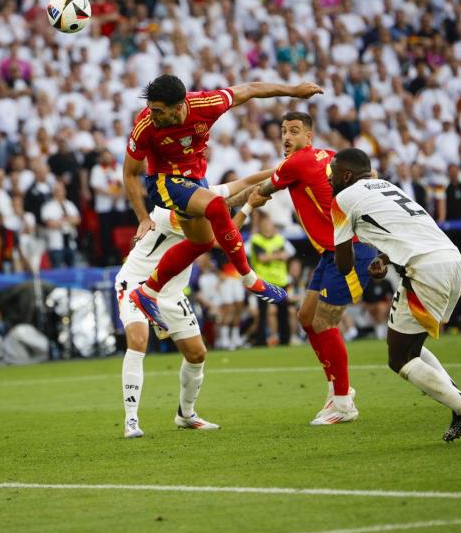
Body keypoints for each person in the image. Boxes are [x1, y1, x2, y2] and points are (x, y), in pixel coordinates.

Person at [329, 148, 461, 445]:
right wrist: (383, 259)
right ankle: (459, 409)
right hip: (452, 262)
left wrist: (342, 252)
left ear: (346, 175)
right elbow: (408, 229)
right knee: (410, 345)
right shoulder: (386, 186)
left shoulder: (342, 199)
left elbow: (344, 263)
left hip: (425, 269)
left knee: (400, 358)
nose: (329, 177)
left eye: (332, 172)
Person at [124, 75, 322, 327]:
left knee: (202, 242)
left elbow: (250, 88)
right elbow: (129, 173)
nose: (152, 115)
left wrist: (293, 90)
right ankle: (250, 279)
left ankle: (147, 292)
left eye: (158, 111)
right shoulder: (144, 125)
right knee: (216, 205)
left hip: (195, 181)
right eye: (151, 109)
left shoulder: (206, 104)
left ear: (179, 106)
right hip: (163, 181)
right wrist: (142, 217)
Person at [117, 170, 271, 438]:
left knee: (197, 354)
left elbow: (245, 182)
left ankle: (186, 415)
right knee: (139, 340)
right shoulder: (169, 211)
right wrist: (245, 205)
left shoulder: (195, 196)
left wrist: (282, 170)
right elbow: (219, 239)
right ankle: (131, 420)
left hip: (172, 291)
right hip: (137, 283)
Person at [251, 112, 375, 425]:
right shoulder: (331, 157)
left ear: (309, 135)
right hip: (329, 251)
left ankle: (344, 403)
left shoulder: (297, 162)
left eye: (294, 131)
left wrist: (227, 206)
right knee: (306, 317)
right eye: (283, 131)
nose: (287, 137)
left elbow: (259, 191)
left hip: (349, 249)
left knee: (323, 322)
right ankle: (337, 389)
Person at [246, 212, 295, 346]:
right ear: (260, 226)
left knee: (283, 312)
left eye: (269, 224)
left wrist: (272, 256)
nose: (267, 227)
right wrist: (277, 255)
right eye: (265, 224)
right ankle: (261, 340)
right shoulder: (256, 240)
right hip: (263, 281)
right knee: (262, 313)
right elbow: (262, 257)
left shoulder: (280, 238)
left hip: (281, 280)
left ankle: (285, 339)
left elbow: (288, 254)